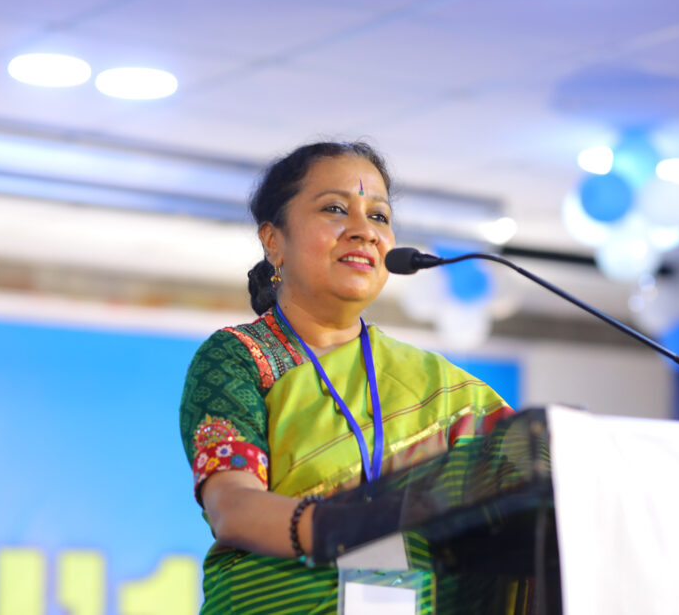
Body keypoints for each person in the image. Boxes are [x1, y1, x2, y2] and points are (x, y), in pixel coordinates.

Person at [179, 141, 514, 614]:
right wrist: (354, 524)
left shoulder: (438, 384)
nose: (364, 232)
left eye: (378, 217)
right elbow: (233, 508)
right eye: (336, 209)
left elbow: (530, 482)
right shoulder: (241, 358)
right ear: (274, 240)